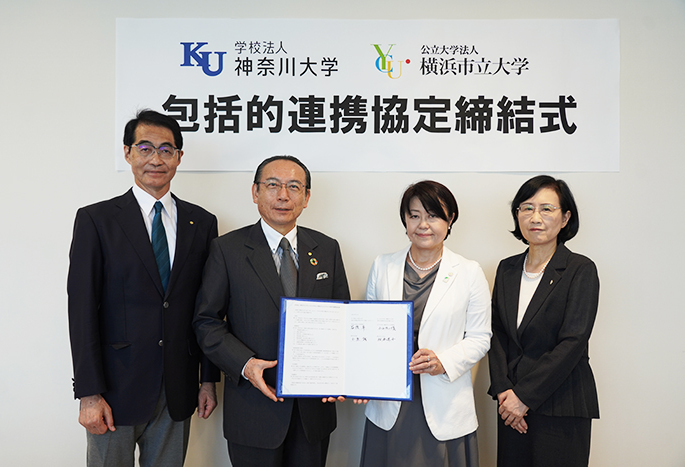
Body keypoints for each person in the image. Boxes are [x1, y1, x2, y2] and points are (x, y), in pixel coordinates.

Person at [67, 109, 220, 467]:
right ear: (128, 153)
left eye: (166, 150)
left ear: (179, 157)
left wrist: (207, 381)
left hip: (177, 388)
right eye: (145, 148)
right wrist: (89, 394)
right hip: (113, 390)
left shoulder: (202, 222)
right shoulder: (97, 220)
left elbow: (208, 308)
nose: (156, 159)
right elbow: (82, 309)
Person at [193, 155, 350, 467]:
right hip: (253, 409)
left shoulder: (327, 248)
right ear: (255, 192)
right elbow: (207, 321)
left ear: (306, 197)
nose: (283, 196)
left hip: (313, 411)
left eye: (294, 187)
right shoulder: (227, 249)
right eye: (273, 185)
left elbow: (343, 319)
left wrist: (341, 375)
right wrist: (245, 364)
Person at [358, 180, 492, 467]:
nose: (423, 225)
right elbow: (366, 328)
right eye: (414, 215)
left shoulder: (469, 272)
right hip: (390, 398)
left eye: (433, 216)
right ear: (405, 220)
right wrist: (360, 380)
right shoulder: (383, 265)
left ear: (450, 219)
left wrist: (443, 361)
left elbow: (481, 337)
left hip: (444, 398)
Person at [488, 175, 600, 467]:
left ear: (565, 218)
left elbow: (573, 341)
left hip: (561, 404)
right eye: (526, 208)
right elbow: (497, 333)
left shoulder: (580, 269)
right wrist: (504, 392)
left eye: (546, 209)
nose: (535, 217)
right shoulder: (507, 269)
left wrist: (524, 397)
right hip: (510, 406)